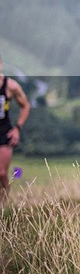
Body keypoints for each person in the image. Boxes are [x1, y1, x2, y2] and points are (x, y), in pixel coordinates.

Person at [0, 53, 31, 203]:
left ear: (1, 65)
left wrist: (17, 128)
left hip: (4, 131)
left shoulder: (10, 86)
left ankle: (4, 205)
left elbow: (25, 106)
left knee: (2, 173)